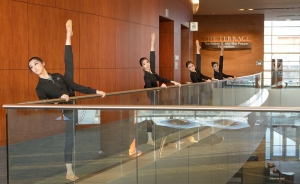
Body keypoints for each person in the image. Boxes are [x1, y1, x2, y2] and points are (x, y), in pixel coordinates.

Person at [28, 20, 106, 181]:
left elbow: (74, 85)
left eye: (36, 63)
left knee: (69, 66)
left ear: (43, 63)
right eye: (31, 67)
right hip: (68, 112)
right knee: (70, 139)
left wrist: (96, 91)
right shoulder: (40, 87)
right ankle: (69, 172)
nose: (34, 67)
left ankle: (68, 36)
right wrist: (59, 99)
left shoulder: (57, 75)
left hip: (76, 106)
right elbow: (45, 105)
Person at [139, 33, 181, 145]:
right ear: (142, 67)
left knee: (155, 117)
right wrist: (159, 88)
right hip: (151, 99)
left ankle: (159, 137)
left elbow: (153, 59)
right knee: (151, 118)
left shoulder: (152, 72)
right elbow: (149, 88)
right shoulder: (146, 76)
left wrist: (173, 81)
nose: (147, 64)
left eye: (147, 62)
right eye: (144, 64)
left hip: (155, 98)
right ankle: (150, 139)